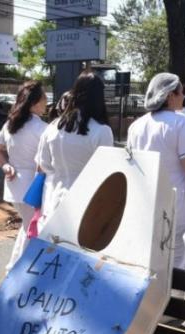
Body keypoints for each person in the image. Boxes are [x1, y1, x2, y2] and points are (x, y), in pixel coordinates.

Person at [127, 72, 185, 268]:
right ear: (169, 96)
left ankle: (148, 298)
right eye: (181, 92)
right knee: (175, 262)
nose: (184, 97)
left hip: (145, 202)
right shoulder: (181, 123)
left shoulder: (136, 126)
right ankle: (169, 298)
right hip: (175, 204)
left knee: (147, 259)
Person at [36, 72, 114, 227]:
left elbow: (43, 165)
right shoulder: (102, 131)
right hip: (87, 205)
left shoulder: (52, 127)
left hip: (54, 201)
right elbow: (107, 173)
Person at [0, 80, 48, 271]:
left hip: (16, 186)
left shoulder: (10, 125)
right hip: (36, 185)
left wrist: (5, 165)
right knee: (32, 230)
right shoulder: (43, 129)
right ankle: (18, 270)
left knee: (27, 227)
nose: (47, 101)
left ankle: (14, 268)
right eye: (44, 97)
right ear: (35, 102)